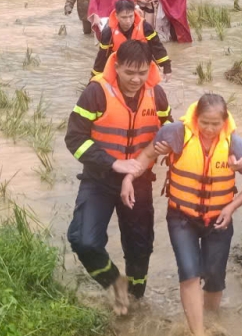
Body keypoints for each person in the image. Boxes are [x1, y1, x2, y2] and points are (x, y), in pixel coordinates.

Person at [122, 94, 242, 336]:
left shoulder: (235, 145)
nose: (209, 129)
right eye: (204, 123)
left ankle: (209, 320)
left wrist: (231, 207)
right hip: (181, 217)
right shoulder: (175, 134)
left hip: (219, 219)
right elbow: (146, 155)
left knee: (215, 277)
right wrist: (128, 178)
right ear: (196, 118)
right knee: (189, 272)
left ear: (224, 121)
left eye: (215, 124)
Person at [66, 41, 173, 315]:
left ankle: (136, 301)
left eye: (142, 72)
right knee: (83, 241)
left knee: (140, 247)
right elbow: (75, 139)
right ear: (116, 66)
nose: (136, 79)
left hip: (139, 181)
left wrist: (167, 148)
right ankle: (115, 282)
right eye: (129, 73)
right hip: (99, 178)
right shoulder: (95, 93)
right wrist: (114, 164)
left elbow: (170, 132)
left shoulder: (157, 95)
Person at [93, 0, 172, 79]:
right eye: (124, 17)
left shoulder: (145, 27)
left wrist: (167, 67)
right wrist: (94, 77)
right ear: (116, 16)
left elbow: (157, 47)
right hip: (121, 68)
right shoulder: (108, 32)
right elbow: (102, 57)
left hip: (142, 66)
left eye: (131, 16)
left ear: (134, 14)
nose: (128, 21)